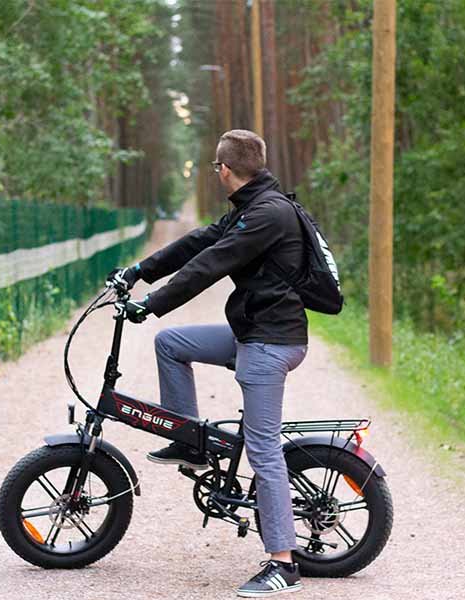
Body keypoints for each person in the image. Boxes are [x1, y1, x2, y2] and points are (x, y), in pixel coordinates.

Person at [109, 129, 308, 597]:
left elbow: (211, 264)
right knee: (172, 343)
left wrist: (150, 303)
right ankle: (191, 444)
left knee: (263, 450)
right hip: (254, 333)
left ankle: (284, 564)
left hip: (270, 344)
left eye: (215, 167)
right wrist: (139, 271)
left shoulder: (267, 214)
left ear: (224, 169)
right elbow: (196, 243)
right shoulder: (250, 208)